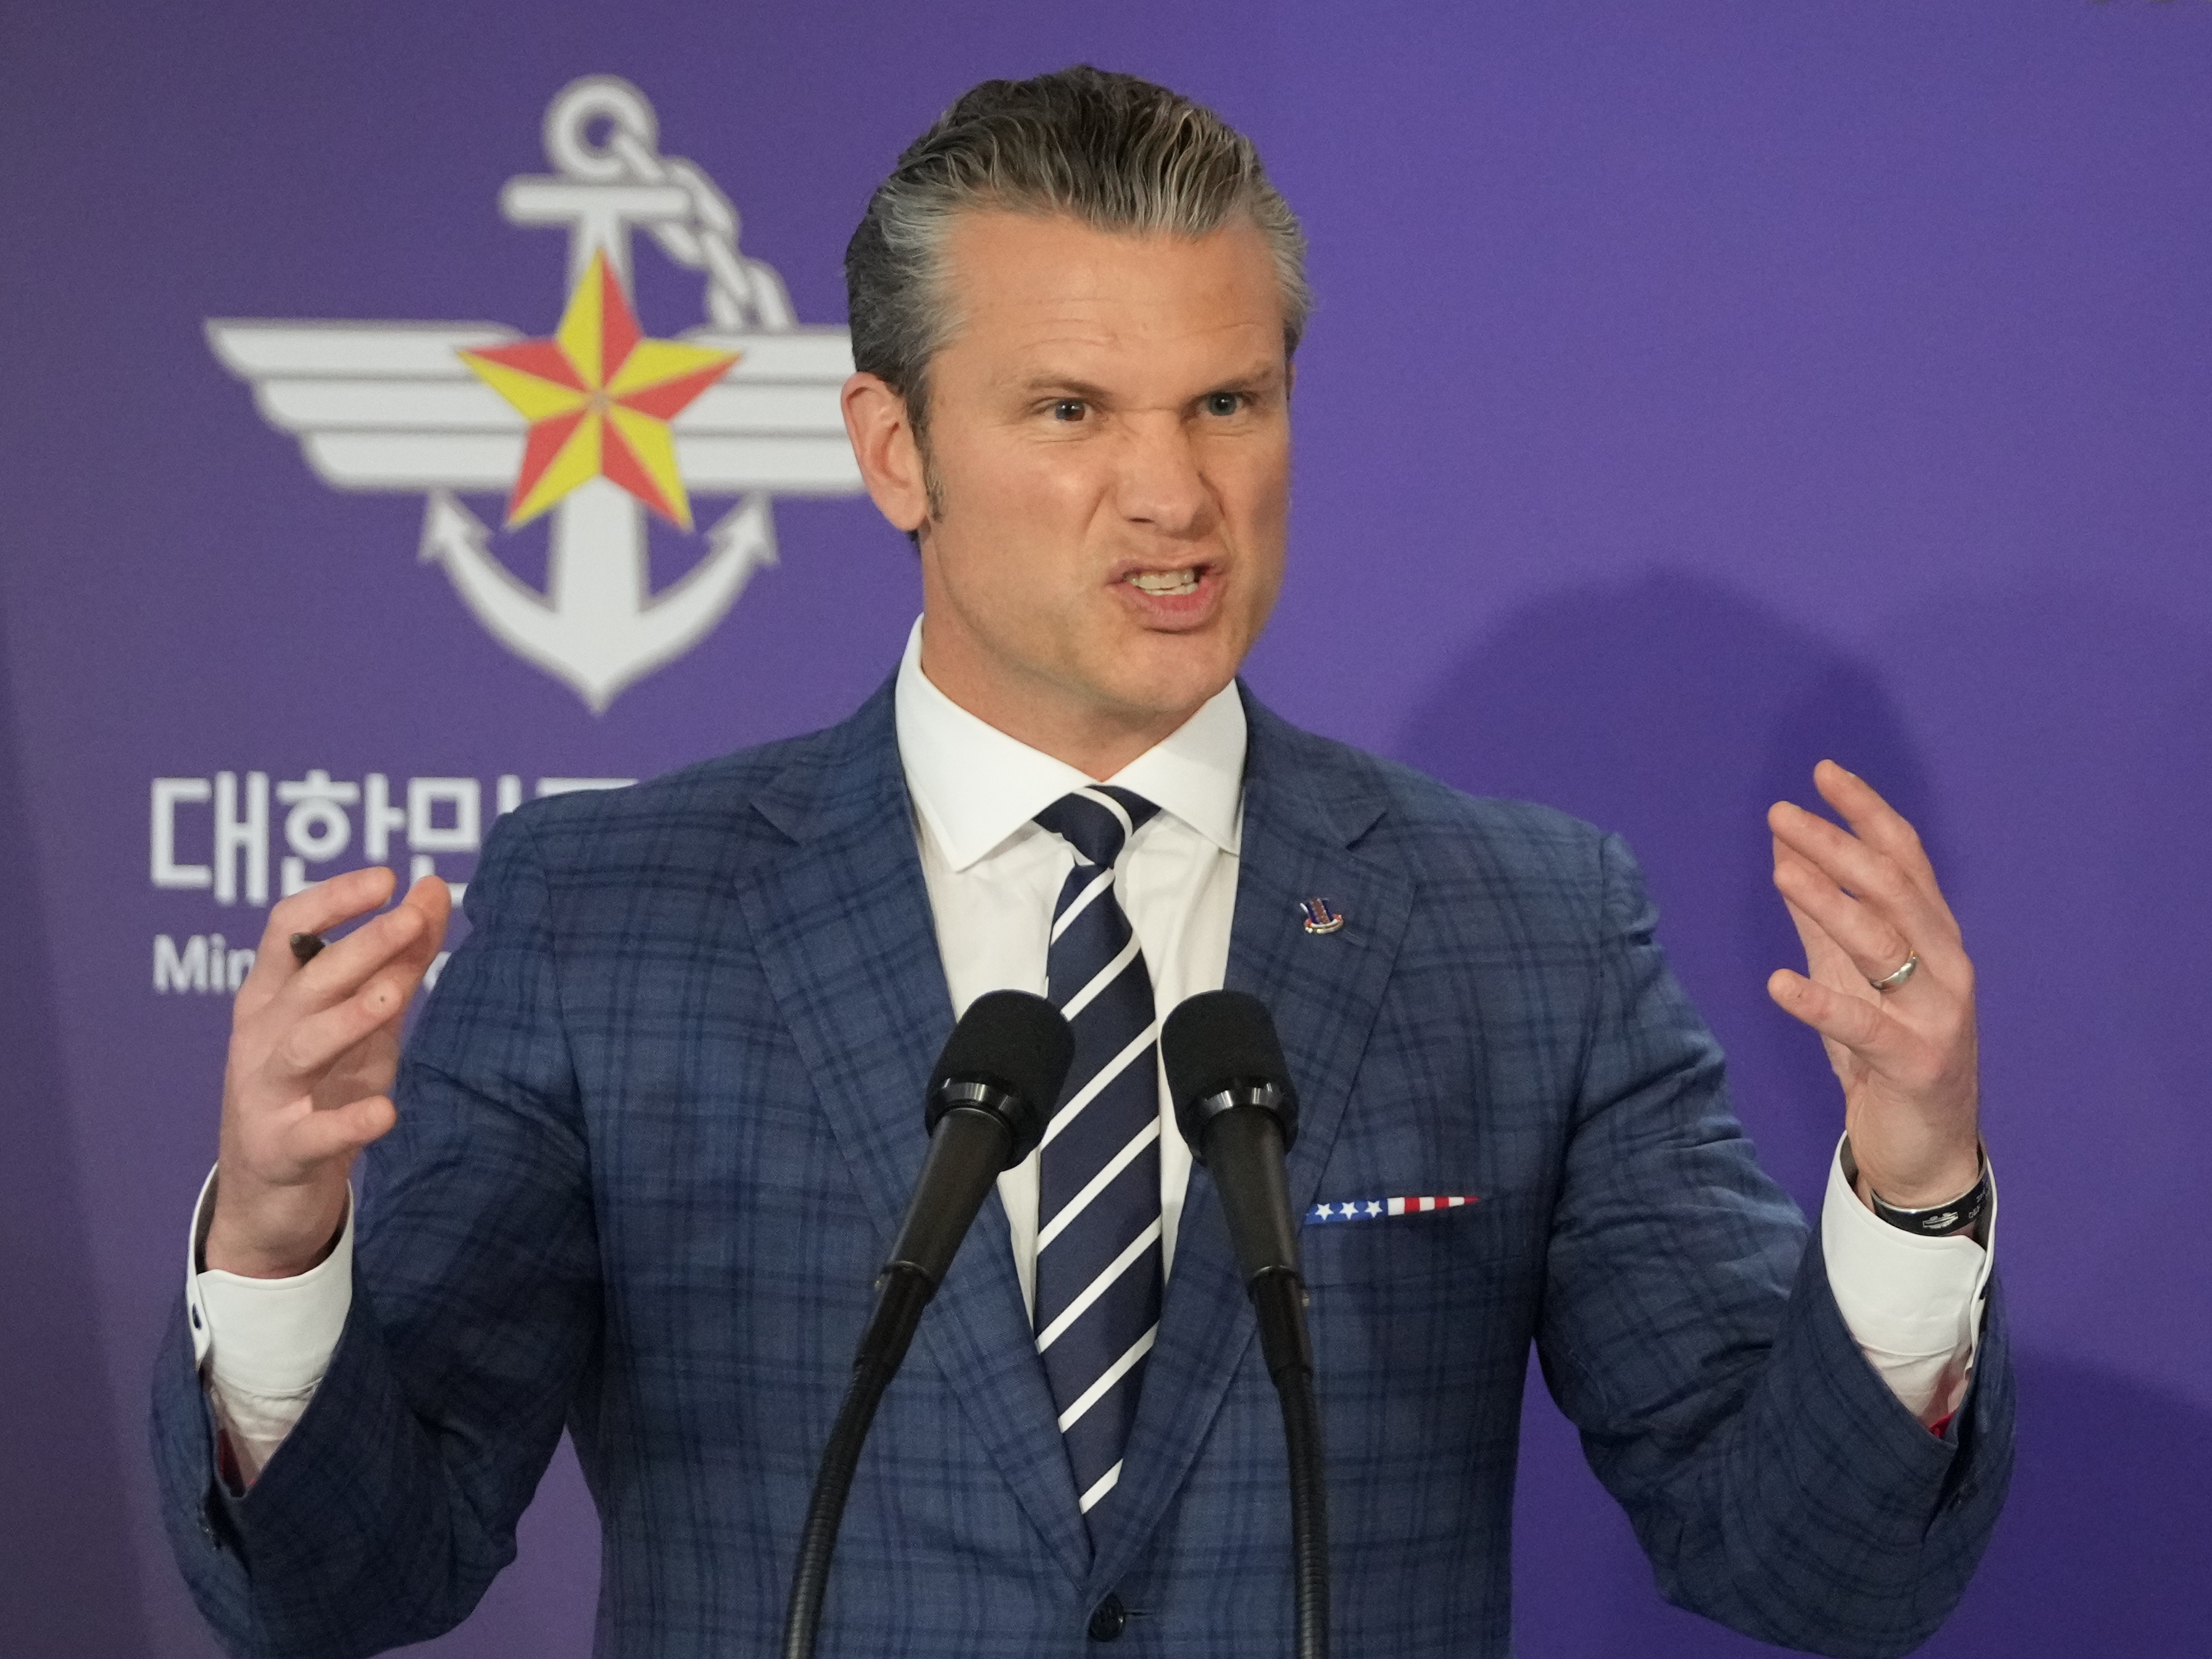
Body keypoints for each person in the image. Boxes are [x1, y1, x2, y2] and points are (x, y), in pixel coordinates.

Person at [155, 67, 2010, 1659]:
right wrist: (276, 1240)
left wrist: (1915, 1194)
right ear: (895, 450)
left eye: (1230, 402)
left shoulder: (1521, 928)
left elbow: (1805, 1566)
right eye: (1071, 412)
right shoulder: (612, 916)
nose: (1176, 496)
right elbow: (352, 1584)